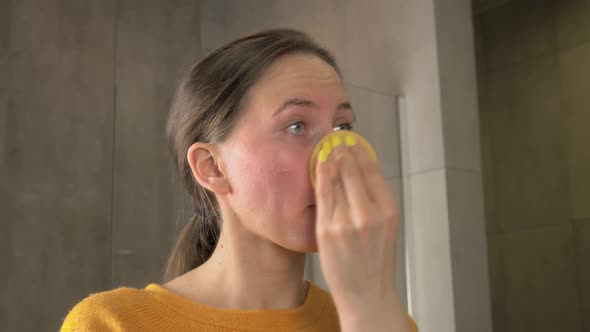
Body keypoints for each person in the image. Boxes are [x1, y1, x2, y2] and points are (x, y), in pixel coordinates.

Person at [61, 28, 417, 332]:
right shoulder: (112, 325)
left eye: (343, 127)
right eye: (297, 126)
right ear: (212, 167)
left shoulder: (377, 318)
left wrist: (369, 304)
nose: (335, 155)